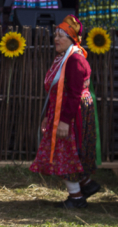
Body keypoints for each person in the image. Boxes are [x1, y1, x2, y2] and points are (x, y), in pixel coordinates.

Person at [29, 15, 101, 207]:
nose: (56, 39)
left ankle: (76, 197)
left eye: (62, 36)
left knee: (66, 152)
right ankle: (86, 184)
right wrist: (48, 116)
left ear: (72, 39)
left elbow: (74, 94)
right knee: (67, 152)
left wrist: (64, 121)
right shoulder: (65, 58)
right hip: (63, 111)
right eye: (56, 35)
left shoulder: (74, 60)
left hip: (71, 113)